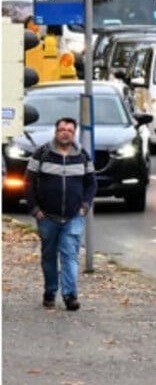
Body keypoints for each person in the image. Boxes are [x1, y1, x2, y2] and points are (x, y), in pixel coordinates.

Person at [24, 117, 96, 311]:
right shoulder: (42, 153)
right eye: (62, 129)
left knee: (70, 255)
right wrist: (34, 208)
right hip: (47, 216)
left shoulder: (82, 156)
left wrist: (85, 206)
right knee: (48, 256)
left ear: (74, 134)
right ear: (55, 132)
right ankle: (50, 291)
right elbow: (29, 182)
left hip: (73, 216)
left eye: (70, 130)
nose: (65, 133)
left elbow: (91, 183)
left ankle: (70, 295)